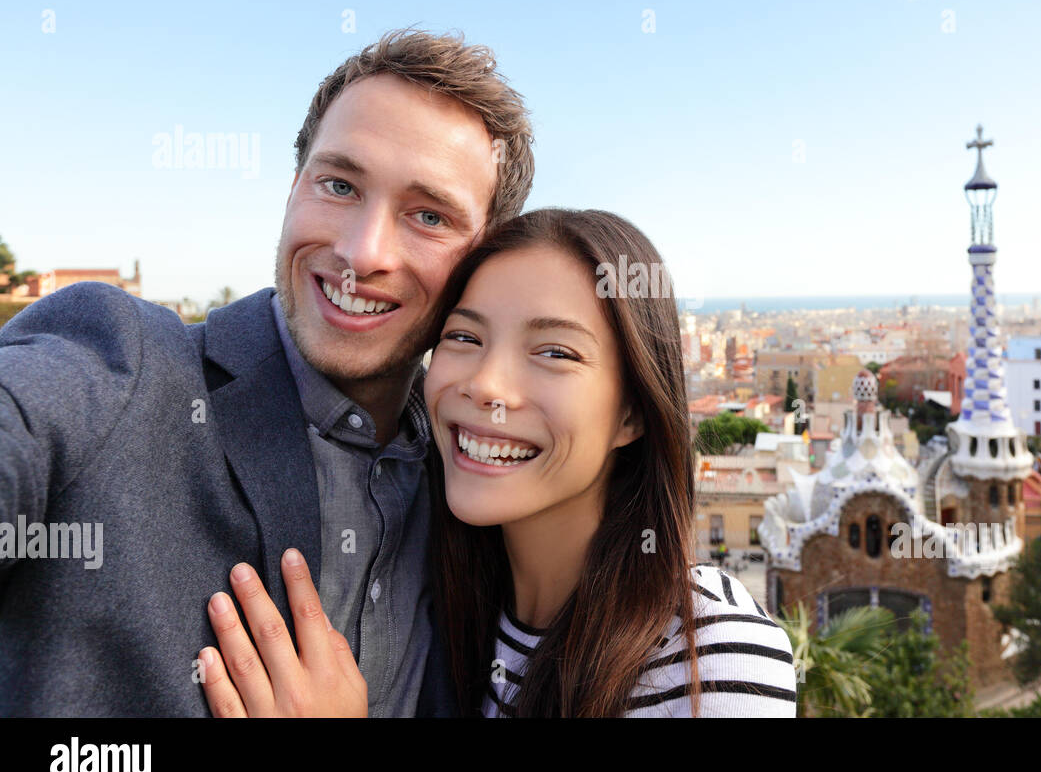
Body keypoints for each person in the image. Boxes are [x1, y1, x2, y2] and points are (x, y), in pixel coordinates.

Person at [0, 29, 535, 716]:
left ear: (484, 262)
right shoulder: (120, 367)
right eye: (339, 184)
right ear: (293, 191)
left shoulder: (465, 481)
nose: (361, 252)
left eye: (428, 215)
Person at [198, 209, 798, 717]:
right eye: (464, 338)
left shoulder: (712, 657)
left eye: (555, 352)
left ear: (631, 415)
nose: (488, 385)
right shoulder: (446, 612)